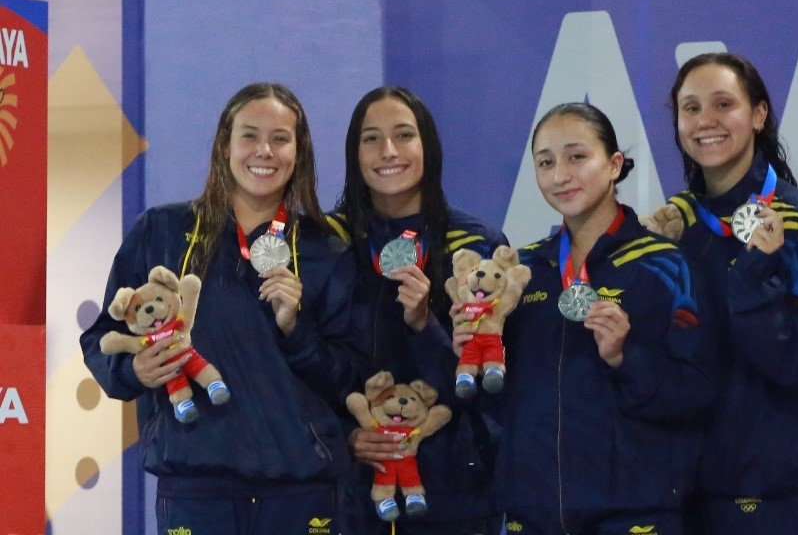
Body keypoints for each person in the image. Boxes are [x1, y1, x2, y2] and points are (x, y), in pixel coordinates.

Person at [80, 83, 365, 535]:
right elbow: (100, 340)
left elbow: (350, 375)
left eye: (280, 138)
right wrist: (136, 370)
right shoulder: (163, 230)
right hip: (195, 490)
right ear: (224, 145)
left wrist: (297, 331)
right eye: (250, 135)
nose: (264, 151)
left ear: (299, 151)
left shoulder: (325, 249)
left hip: (301, 491)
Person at [459, 102, 717, 535]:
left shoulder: (665, 266)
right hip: (534, 512)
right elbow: (503, 407)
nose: (560, 175)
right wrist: (474, 354)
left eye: (577, 156)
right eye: (546, 162)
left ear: (614, 164)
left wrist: (624, 358)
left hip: (632, 514)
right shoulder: (522, 272)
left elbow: (697, 392)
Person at [643, 52, 798, 535]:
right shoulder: (675, 225)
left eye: (723, 104)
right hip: (672, 492)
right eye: (690, 108)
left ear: (758, 115)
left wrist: (752, 277)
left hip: (758, 498)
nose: (704, 121)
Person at [326, 86, 507, 535]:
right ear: (354, 152)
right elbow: (305, 366)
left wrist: (426, 324)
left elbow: (492, 390)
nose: (388, 150)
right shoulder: (326, 244)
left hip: (455, 493)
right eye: (371, 138)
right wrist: (343, 436)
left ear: (428, 145)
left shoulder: (478, 245)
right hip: (354, 495)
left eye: (404, 134)